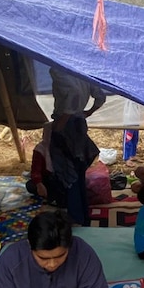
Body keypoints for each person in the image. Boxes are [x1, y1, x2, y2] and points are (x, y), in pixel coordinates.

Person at [49, 68, 105, 225]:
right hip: (79, 121)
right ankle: (83, 215)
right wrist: (89, 111)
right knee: (78, 171)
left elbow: (74, 93)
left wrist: (64, 118)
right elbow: (100, 96)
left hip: (67, 124)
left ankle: (76, 217)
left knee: (69, 172)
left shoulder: (58, 69)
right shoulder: (81, 69)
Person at [25, 122, 64, 206]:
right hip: (46, 179)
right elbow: (35, 171)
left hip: (61, 179)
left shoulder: (63, 147)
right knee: (30, 186)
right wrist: (39, 184)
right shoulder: (40, 149)